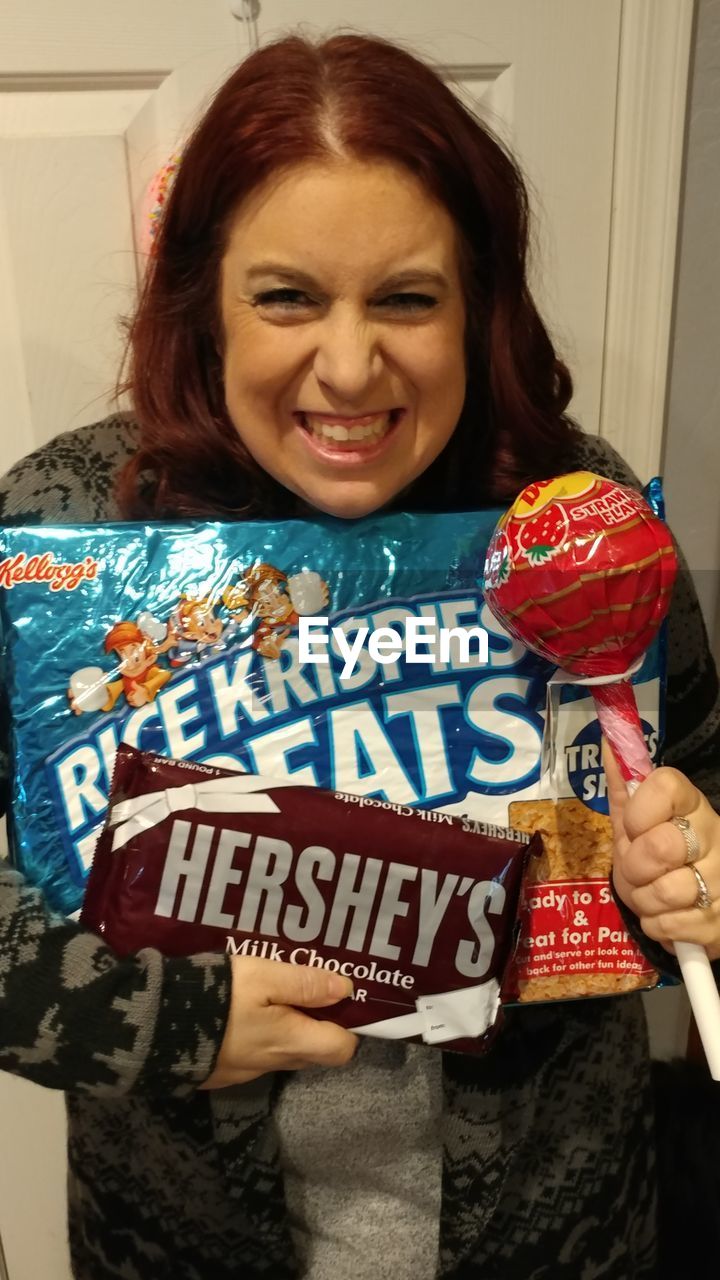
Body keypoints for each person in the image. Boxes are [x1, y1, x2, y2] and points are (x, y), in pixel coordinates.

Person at [1, 30, 719, 1280]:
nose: (348, 365)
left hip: (556, 1231)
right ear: (202, 304)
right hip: (182, 1242)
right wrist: (174, 1018)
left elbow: (696, 772)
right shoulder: (67, 523)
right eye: (285, 295)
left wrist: (694, 869)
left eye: (406, 296)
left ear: (477, 302)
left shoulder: (578, 509)